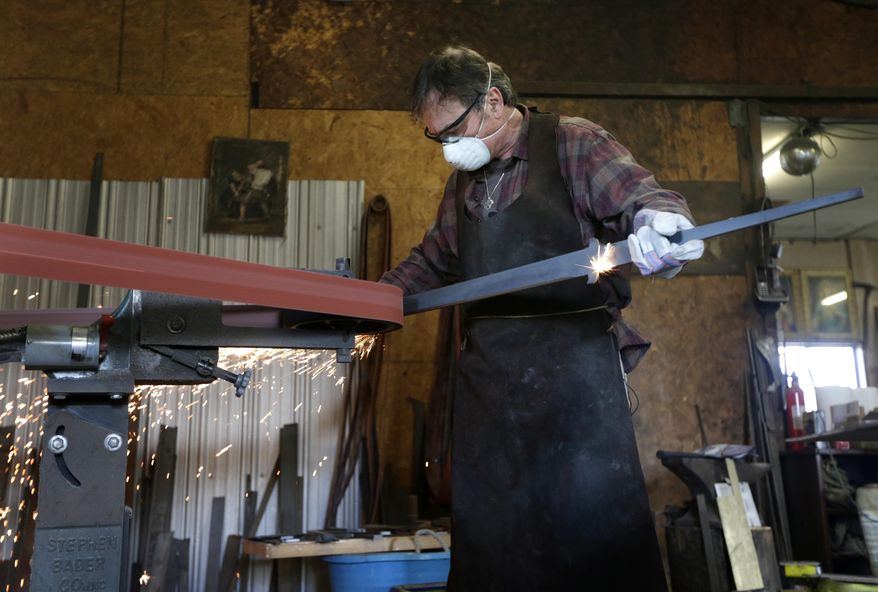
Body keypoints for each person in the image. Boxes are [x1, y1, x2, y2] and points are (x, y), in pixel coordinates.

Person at [380, 45, 704, 591]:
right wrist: (370, 303)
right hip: (490, 394)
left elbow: (647, 199)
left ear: (494, 100)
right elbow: (434, 260)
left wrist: (659, 224)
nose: (448, 150)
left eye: (453, 132)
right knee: (497, 557)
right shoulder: (464, 181)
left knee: (593, 548)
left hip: (574, 390)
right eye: (437, 139)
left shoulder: (572, 143)